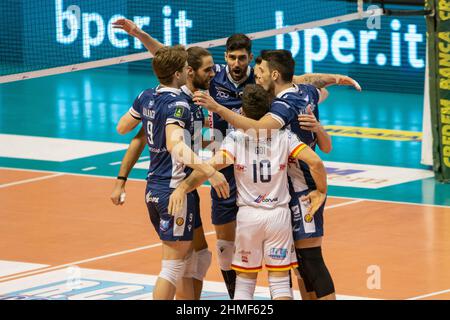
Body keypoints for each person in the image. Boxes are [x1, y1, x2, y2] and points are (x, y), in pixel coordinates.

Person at [113, 18, 360, 299]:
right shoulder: (214, 74)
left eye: (243, 58)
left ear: (252, 60)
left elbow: (298, 80)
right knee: (229, 252)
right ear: (225, 58)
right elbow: (170, 59)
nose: (237, 63)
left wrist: (332, 79)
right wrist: (141, 34)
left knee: (271, 266)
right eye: (232, 57)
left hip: (243, 163)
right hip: (235, 169)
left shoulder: (261, 85)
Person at [194, 49, 343, 300]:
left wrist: (217, 108)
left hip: (303, 189)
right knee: (299, 269)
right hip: (286, 197)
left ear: (274, 74)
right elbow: (317, 87)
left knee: (310, 261)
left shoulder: (283, 106)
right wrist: (335, 78)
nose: (255, 75)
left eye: (260, 71)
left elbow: (259, 128)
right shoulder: (303, 91)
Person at [169, 84, 327, 300]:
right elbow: (316, 162)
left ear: (242, 112)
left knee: (244, 283)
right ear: (269, 111)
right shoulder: (284, 136)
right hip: (278, 216)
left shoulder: (235, 138)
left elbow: (211, 167)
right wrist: (321, 191)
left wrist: (183, 187)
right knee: (280, 282)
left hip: (248, 217)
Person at [115, 45, 229, 300]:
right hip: (174, 191)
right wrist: (210, 170)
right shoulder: (180, 103)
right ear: (181, 73)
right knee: (173, 266)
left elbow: (123, 128)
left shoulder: (146, 96)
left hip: (155, 188)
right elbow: (175, 145)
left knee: (195, 256)